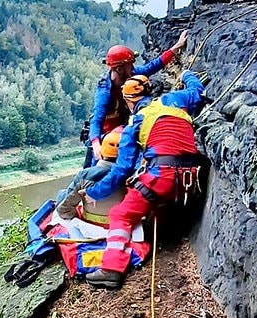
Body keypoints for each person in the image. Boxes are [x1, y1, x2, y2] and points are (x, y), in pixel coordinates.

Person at [79, 71, 205, 289]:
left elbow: (122, 169)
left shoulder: (136, 121)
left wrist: (94, 192)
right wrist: (187, 74)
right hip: (192, 180)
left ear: (130, 101)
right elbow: (198, 91)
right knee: (154, 201)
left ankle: (111, 269)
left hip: (162, 178)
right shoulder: (175, 99)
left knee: (121, 214)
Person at [83, 30, 190, 169]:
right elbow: (97, 119)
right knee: (98, 170)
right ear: (120, 69)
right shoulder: (105, 91)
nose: (133, 68)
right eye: (130, 65)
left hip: (125, 130)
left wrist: (175, 48)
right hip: (107, 139)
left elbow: (152, 66)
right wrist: (96, 144)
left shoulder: (130, 75)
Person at [57, 126, 125, 227]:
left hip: (90, 225)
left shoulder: (85, 175)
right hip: (121, 227)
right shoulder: (132, 177)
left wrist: (76, 217)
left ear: (102, 150)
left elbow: (63, 209)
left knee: (62, 194)